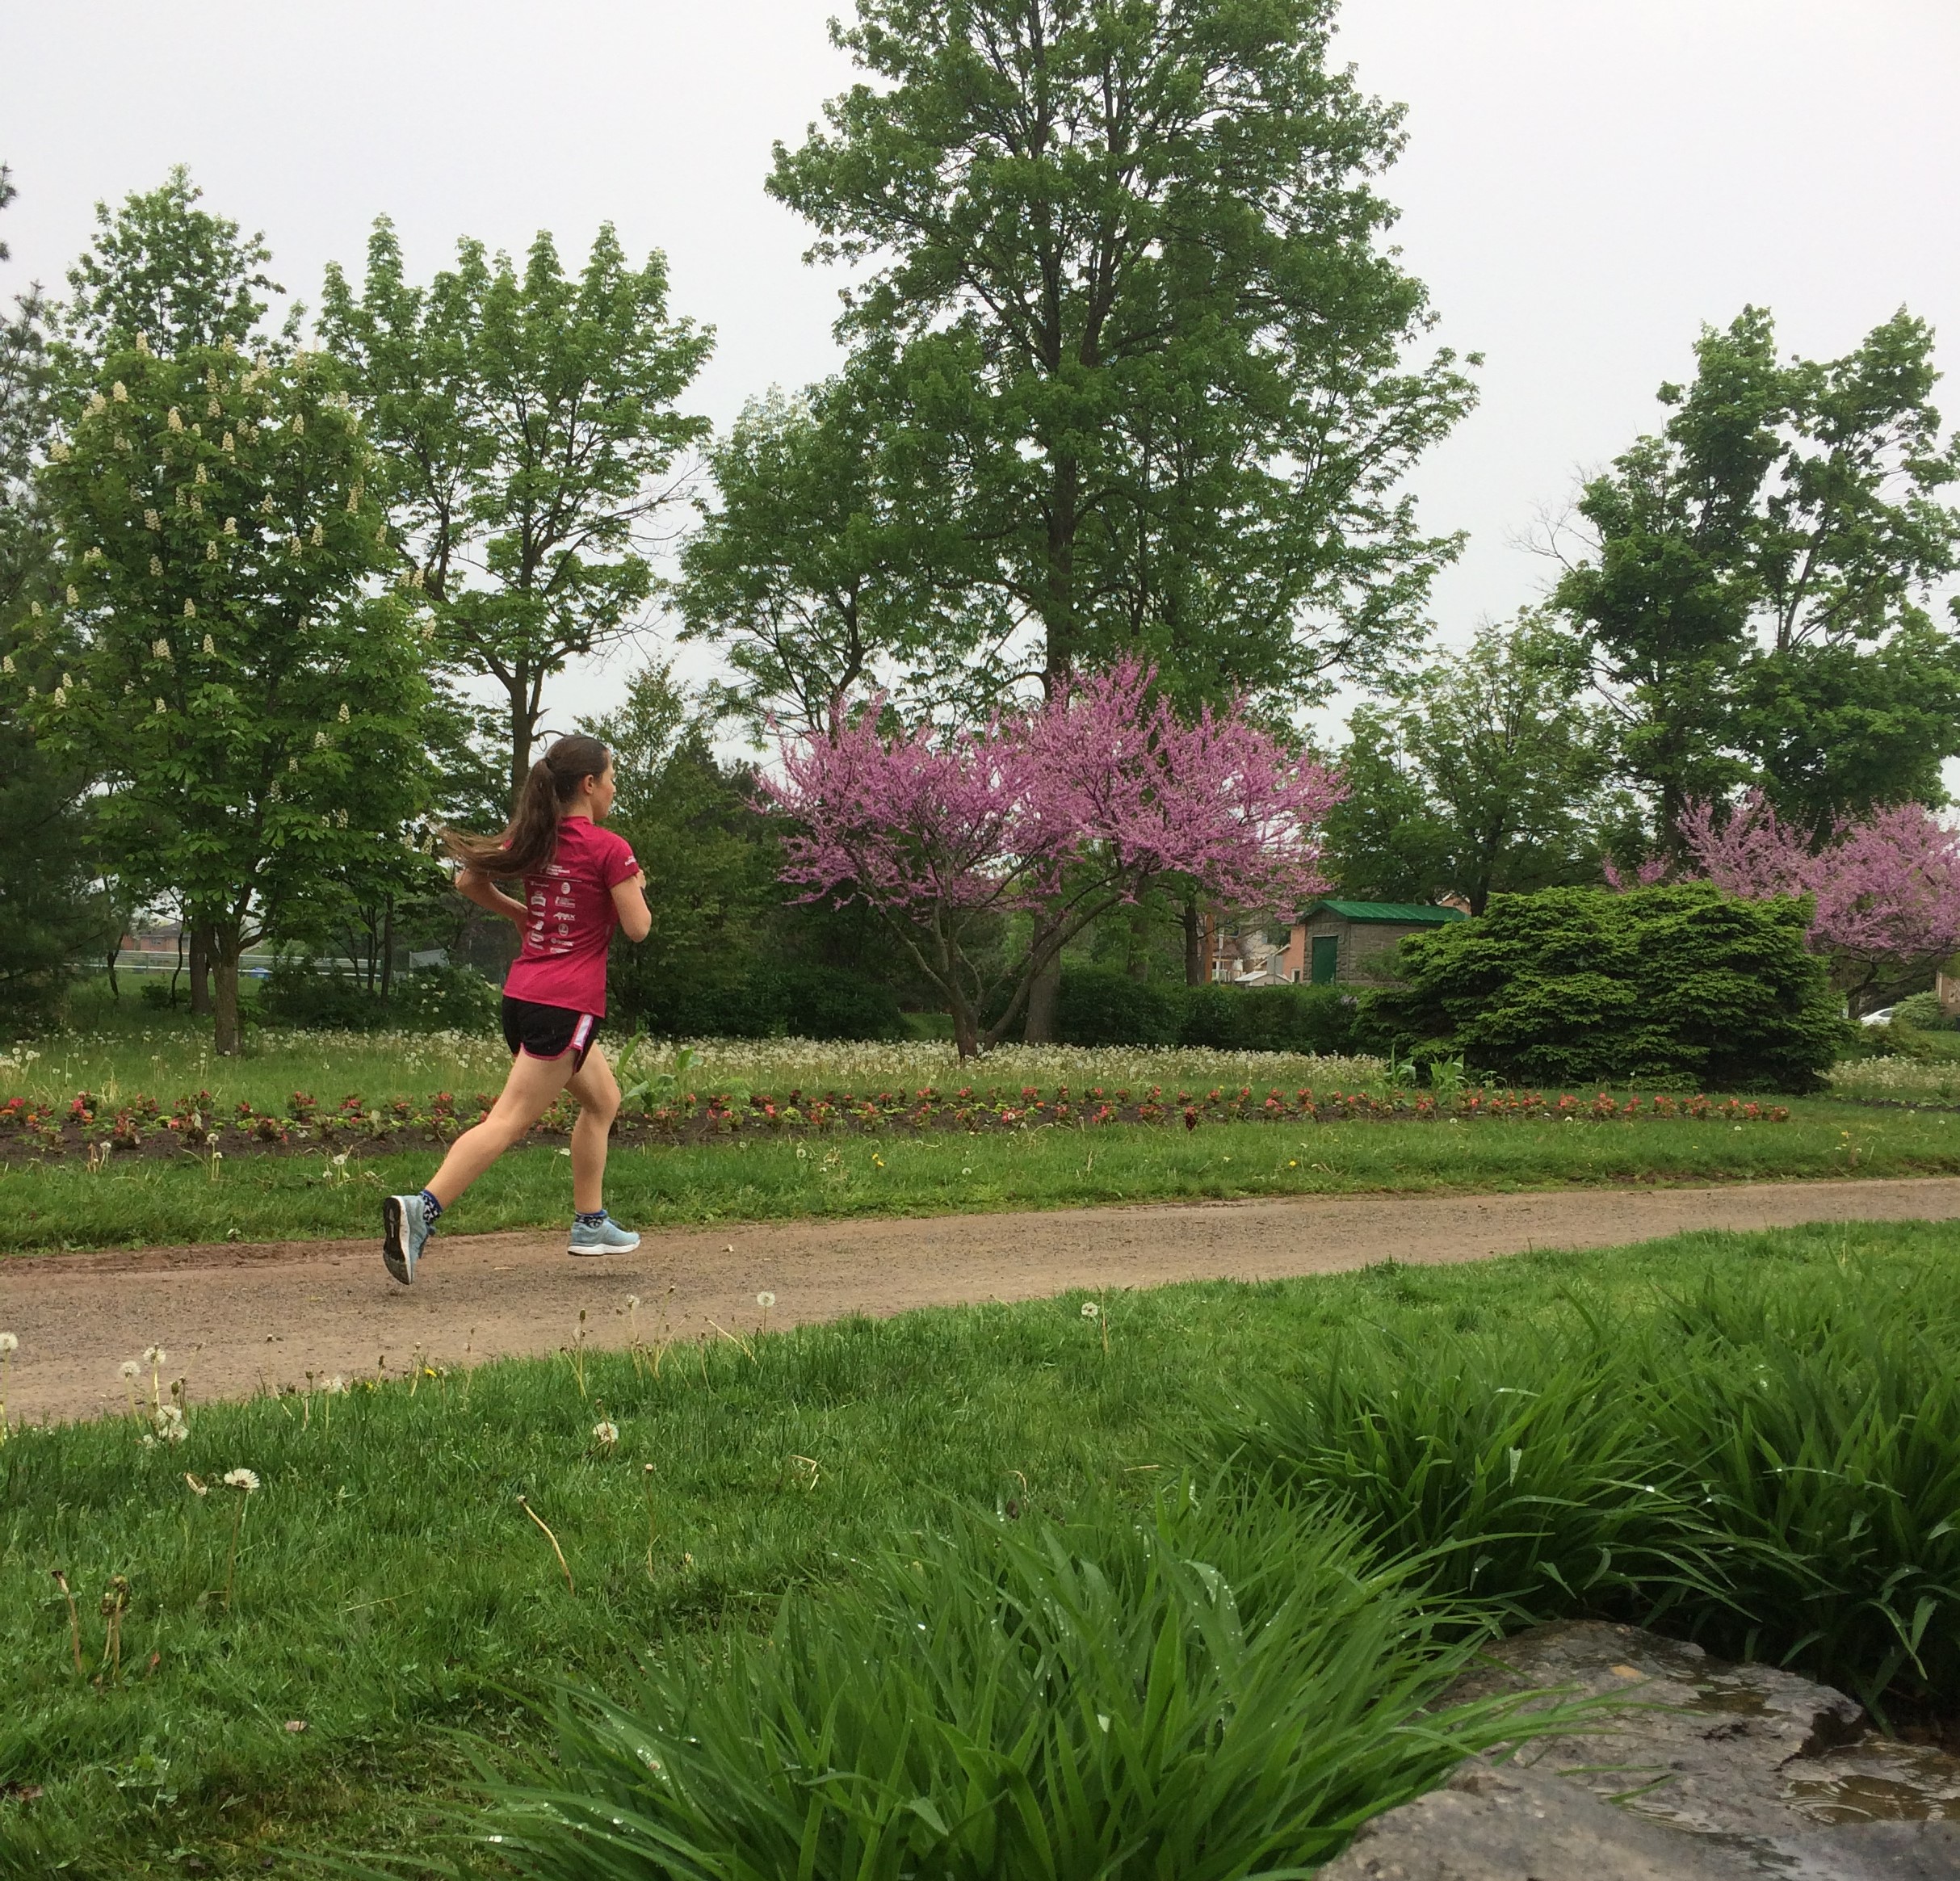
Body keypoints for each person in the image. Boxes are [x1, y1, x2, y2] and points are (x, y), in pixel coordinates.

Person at [381, 734, 652, 1284]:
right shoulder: (609, 848)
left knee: (603, 1099)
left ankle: (590, 1222)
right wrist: (636, 885)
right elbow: (638, 927)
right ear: (589, 784)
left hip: (523, 997)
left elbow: (468, 878)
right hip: (566, 1004)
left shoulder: (535, 839)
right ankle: (420, 1211)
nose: (615, 787)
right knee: (506, 1121)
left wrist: (517, 914)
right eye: (612, 776)